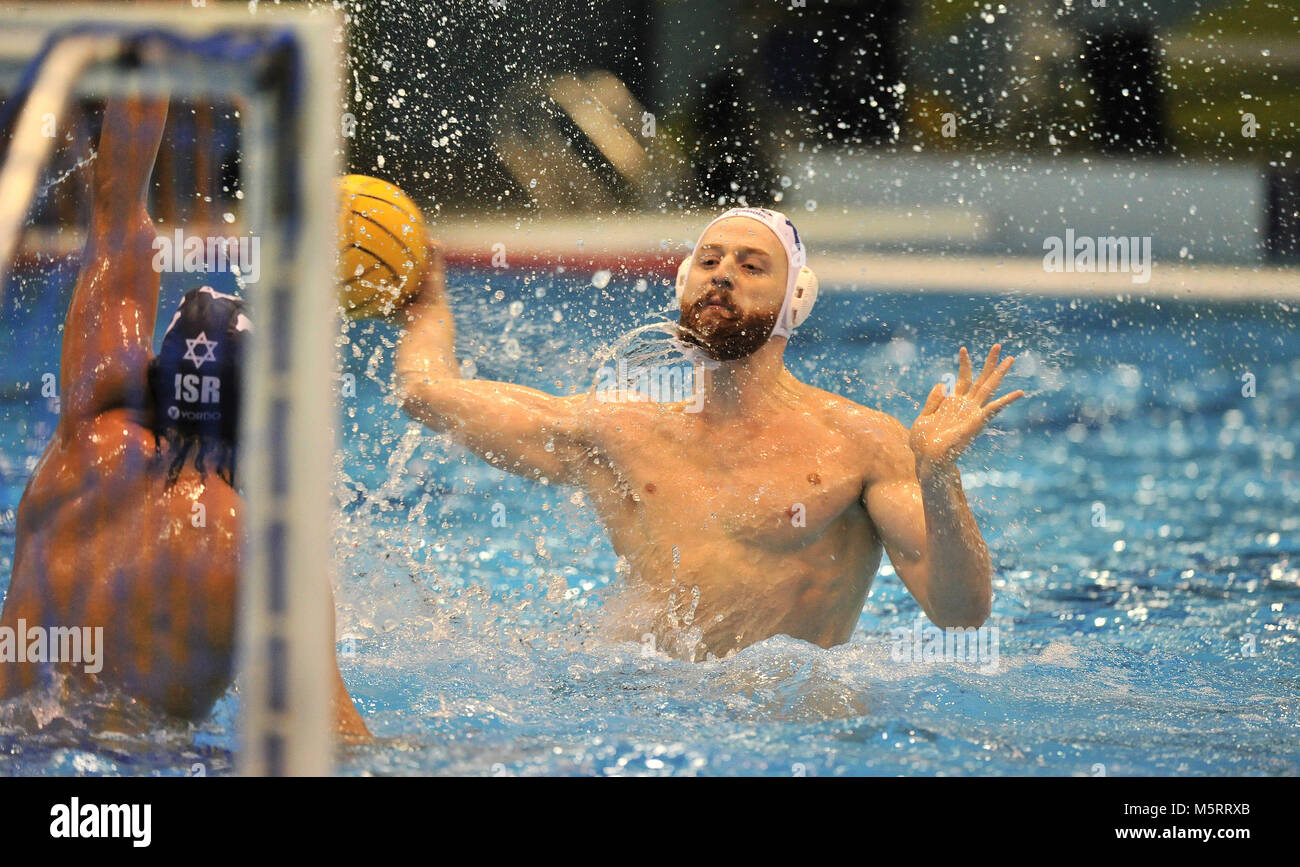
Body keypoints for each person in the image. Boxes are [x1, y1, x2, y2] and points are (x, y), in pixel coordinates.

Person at [396, 207, 1024, 661]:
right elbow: (428, 394)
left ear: (794, 301)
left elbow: (962, 613)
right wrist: (425, 297)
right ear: (684, 285)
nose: (723, 275)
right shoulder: (617, 430)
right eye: (710, 261)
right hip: (635, 710)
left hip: (789, 733)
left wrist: (939, 476)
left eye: (752, 267)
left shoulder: (862, 443)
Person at [0, 96, 369, 740]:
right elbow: (332, 745)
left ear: (156, 381)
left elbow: (119, 212)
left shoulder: (86, 440)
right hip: (136, 774)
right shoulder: (264, 553)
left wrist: (150, 43)